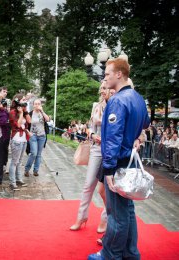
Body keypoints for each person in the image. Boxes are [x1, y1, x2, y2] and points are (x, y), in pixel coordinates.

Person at [88, 58, 150, 260]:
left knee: (117, 214)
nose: (104, 77)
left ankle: (110, 254)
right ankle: (131, 253)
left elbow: (113, 138)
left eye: (107, 74)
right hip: (128, 160)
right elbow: (145, 123)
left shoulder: (117, 100)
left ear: (119, 74)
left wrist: (108, 170)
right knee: (128, 211)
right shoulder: (138, 98)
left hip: (118, 163)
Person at [70, 82, 110, 234]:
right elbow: (90, 127)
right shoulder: (96, 106)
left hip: (111, 150)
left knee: (105, 189)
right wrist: (93, 135)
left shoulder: (115, 104)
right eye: (101, 88)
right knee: (88, 185)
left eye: (105, 88)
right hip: (96, 148)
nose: (102, 91)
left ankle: (105, 218)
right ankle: (81, 217)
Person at [8, 94, 31, 191]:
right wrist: (21, 113)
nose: (24, 101)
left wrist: (24, 111)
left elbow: (29, 121)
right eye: (23, 100)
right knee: (14, 161)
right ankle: (12, 182)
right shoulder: (13, 112)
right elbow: (17, 124)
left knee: (20, 161)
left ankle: (19, 179)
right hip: (16, 139)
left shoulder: (23, 110)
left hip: (23, 139)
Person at [24, 98, 50, 177]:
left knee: (38, 154)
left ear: (41, 105)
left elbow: (48, 119)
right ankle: (27, 169)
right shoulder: (30, 113)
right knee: (33, 153)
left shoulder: (42, 113)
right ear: (33, 105)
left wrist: (42, 111)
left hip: (42, 136)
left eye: (39, 104)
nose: (37, 105)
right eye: (36, 104)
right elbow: (25, 125)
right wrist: (28, 133)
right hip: (33, 135)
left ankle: (36, 170)